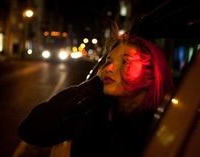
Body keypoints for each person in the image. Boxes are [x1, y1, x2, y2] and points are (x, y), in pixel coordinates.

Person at [18, 31, 173, 157]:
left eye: (125, 62)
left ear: (151, 74)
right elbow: (30, 130)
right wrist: (91, 86)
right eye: (108, 61)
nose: (109, 68)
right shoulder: (94, 112)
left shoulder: (161, 125)